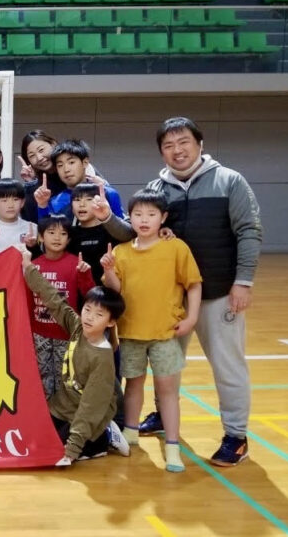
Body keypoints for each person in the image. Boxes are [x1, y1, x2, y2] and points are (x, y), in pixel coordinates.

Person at [102, 117, 262, 467]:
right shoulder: (157, 188)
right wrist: (107, 218)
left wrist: (243, 281)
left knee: (228, 367)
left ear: (200, 144)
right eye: (169, 145)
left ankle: (236, 436)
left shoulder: (229, 180)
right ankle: (162, 416)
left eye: (184, 142)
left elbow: (249, 230)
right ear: (161, 152)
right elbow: (135, 232)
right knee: (166, 367)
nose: (177, 150)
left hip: (219, 292)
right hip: (171, 300)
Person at [101, 189, 203, 473]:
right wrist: (108, 270)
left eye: (151, 214)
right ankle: (131, 432)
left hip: (165, 333)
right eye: (137, 214)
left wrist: (192, 318)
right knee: (133, 384)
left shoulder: (176, 248)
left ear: (163, 218)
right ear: (129, 217)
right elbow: (116, 289)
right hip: (131, 332)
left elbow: (194, 284)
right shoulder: (121, 251)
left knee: (167, 390)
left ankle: (172, 446)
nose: (144, 220)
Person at [21, 247, 129, 467]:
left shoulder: (102, 358)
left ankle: (104, 435)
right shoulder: (78, 327)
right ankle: (87, 436)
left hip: (89, 413)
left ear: (110, 322)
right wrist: (28, 268)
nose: (89, 317)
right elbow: (54, 300)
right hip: (64, 406)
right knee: (34, 440)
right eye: (87, 310)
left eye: (99, 315)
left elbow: (90, 406)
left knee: (55, 452)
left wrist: (71, 451)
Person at [28, 215, 95, 399]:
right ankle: (46, 413)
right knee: (42, 376)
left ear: (69, 239)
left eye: (63, 234)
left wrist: (85, 274)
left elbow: (90, 295)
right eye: (51, 232)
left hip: (67, 333)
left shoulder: (75, 264)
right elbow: (27, 299)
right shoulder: (34, 266)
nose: (57, 238)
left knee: (65, 377)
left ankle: (63, 413)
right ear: (41, 237)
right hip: (39, 333)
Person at [35, 140, 123, 222]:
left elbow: (121, 230)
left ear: (85, 163)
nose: (66, 169)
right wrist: (42, 205)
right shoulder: (54, 201)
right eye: (60, 165)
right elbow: (46, 230)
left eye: (71, 162)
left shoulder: (108, 193)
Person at [69, 182, 123, 285]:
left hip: (109, 292)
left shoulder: (113, 232)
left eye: (89, 199)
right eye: (77, 200)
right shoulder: (68, 234)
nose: (82, 204)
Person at [0, 178, 38, 263]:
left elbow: (40, 260)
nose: (10, 205)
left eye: (15, 199)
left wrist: (33, 246)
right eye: (4, 201)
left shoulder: (32, 229)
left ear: (22, 202)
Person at [17, 130, 65, 224]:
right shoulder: (35, 185)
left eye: (41, 150)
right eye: (32, 156)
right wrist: (30, 183)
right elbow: (31, 221)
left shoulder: (72, 170)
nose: (39, 158)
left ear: (53, 144)